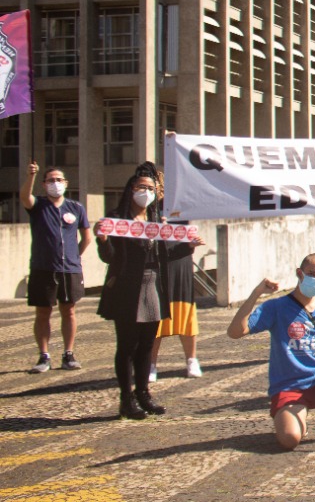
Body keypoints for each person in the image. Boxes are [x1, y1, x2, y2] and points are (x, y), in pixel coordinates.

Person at [95, 162, 205, 420]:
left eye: (150, 188)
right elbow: (110, 257)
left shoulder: (156, 220)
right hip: (127, 289)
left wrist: (189, 246)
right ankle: (126, 398)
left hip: (154, 286)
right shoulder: (117, 218)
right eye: (140, 187)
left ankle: (144, 393)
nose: (145, 192)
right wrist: (102, 240)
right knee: (127, 346)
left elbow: (166, 254)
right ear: (131, 189)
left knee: (147, 345)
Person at [227, 253, 315, 450]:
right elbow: (235, 332)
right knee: (290, 439)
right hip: (290, 387)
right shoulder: (277, 306)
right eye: (312, 274)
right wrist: (256, 293)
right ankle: (297, 415)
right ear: (300, 273)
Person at [22, 161, 91, 373]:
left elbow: (86, 237)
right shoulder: (38, 206)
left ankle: (68, 354)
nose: (55, 183)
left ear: (66, 183)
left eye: (59, 180)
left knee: (69, 310)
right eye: (51, 180)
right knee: (42, 312)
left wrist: (73, 256)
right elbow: (25, 197)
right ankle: (43, 355)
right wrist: (31, 176)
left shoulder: (76, 207)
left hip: (69, 269)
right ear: (44, 184)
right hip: (43, 268)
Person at [150, 170, 202, 381]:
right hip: (156, 267)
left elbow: (186, 236)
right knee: (154, 319)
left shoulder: (180, 209)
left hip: (180, 264)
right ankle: (151, 364)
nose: (159, 191)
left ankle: (191, 360)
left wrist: (191, 243)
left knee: (186, 317)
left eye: (161, 187)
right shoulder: (144, 212)